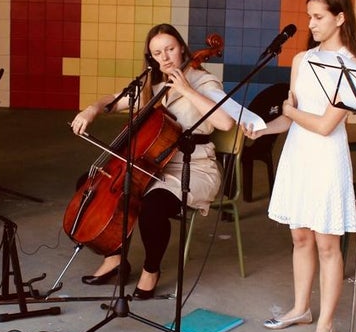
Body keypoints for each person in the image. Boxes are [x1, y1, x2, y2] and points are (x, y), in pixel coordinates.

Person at [70, 23, 237, 299]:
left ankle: (151, 269)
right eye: (157, 53)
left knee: (152, 206)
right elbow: (113, 100)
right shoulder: (152, 84)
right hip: (152, 164)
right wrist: (92, 109)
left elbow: (225, 121)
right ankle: (115, 258)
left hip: (193, 167)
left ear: (181, 47)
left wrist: (186, 90)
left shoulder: (204, 82)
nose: (165, 57)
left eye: (170, 49)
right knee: (92, 185)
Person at [247, 0, 356, 332]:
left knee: (327, 244)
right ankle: (301, 309)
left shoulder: (352, 68)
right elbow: (294, 122)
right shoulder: (302, 60)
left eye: (318, 17)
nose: (311, 24)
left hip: (327, 159)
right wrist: (261, 128)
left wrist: (289, 113)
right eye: (309, 17)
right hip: (298, 155)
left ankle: (326, 325)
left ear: (340, 18)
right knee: (300, 238)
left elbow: (324, 125)